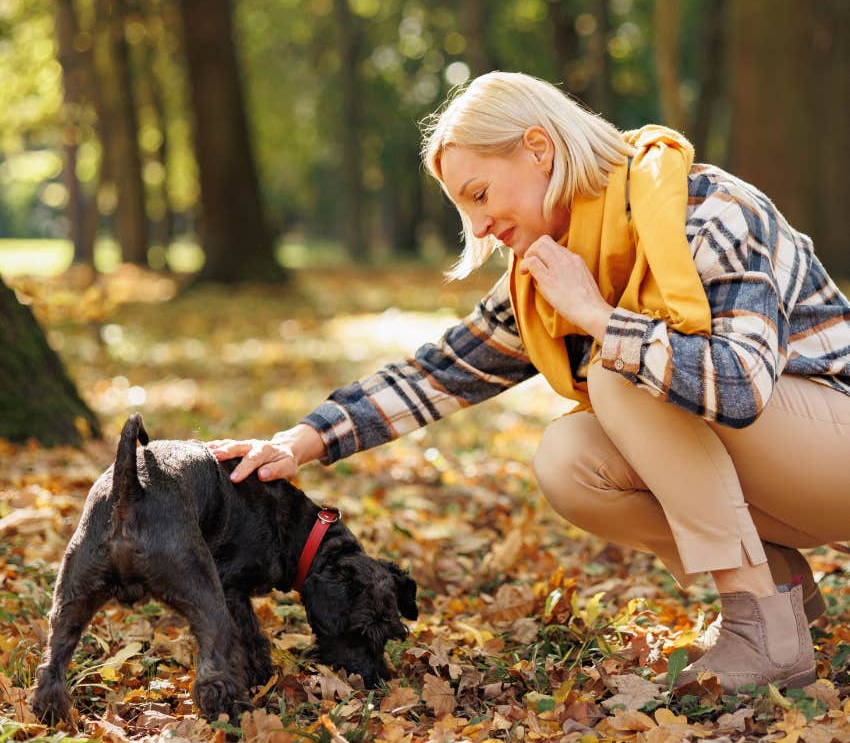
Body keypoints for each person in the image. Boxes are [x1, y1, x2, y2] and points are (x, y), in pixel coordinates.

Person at [208, 71, 850, 693]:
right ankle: (776, 593)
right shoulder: (546, 270)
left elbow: (740, 385)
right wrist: (300, 442)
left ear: (538, 148)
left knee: (620, 373)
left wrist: (600, 318)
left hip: (832, 445)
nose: (480, 228)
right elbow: (437, 372)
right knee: (569, 460)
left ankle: (759, 629)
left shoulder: (707, 210)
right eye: (465, 209)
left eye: (480, 194)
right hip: (787, 473)